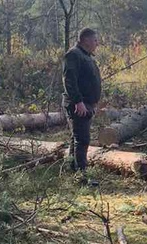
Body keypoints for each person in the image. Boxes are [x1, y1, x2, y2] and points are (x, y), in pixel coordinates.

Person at [62, 28, 101, 182]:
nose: (97, 43)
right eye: (95, 40)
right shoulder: (73, 55)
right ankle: (82, 177)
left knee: (76, 138)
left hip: (86, 104)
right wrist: (78, 102)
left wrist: (93, 102)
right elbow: (69, 80)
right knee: (82, 139)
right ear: (86, 40)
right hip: (77, 105)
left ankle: (72, 171)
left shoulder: (86, 56)